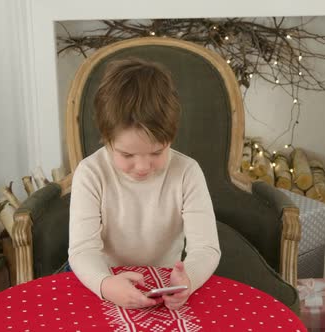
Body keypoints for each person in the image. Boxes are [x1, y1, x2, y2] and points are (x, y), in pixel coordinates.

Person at [67, 57, 221, 310]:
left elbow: (206, 248)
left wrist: (188, 280)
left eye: (157, 153)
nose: (142, 167)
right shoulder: (90, 173)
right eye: (127, 155)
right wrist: (106, 284)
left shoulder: (187, 172)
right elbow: (83, 250)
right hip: (102, 280)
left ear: (170, 138)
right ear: (106, 140)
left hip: (164, 285)